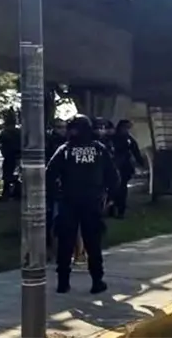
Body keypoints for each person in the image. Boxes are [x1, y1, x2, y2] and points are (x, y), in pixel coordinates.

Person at [47, 114, 120, 294]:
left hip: (68, 201)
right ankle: (97, 281)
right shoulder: (99, 149)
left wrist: (56, 195)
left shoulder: (65, 150)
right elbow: (113, 176)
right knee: (93, 242)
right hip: (92, 201)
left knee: (65, 242)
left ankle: (63, 282)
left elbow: (49, 175)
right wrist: (111, 197)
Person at [109, 120, 146, 218]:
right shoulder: (114, 139)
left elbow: (135, 151)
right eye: (125, 128)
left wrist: (141, 163)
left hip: (124, 167)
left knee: (122, 189)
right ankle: (113, 209)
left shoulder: (128, 139)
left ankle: (120, 210)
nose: (126, 130)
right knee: (114, 189)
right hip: (114, 166)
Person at [45, 119, 68, 255]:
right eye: (60, 127)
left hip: (65, 184)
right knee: (52, 215)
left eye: (64, 127)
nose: (62, 130)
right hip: (53, 183)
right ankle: (50, 243)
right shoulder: (50, 142)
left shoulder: (67, 142)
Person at [0, 111, 21, 200]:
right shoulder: (19, 132)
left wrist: (4, 151)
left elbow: (0, 144)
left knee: (8, 176)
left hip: (10, 156)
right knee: (15, 176)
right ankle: (15, 193)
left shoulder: (5, 132)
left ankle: (7, 194)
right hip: (17, 156)